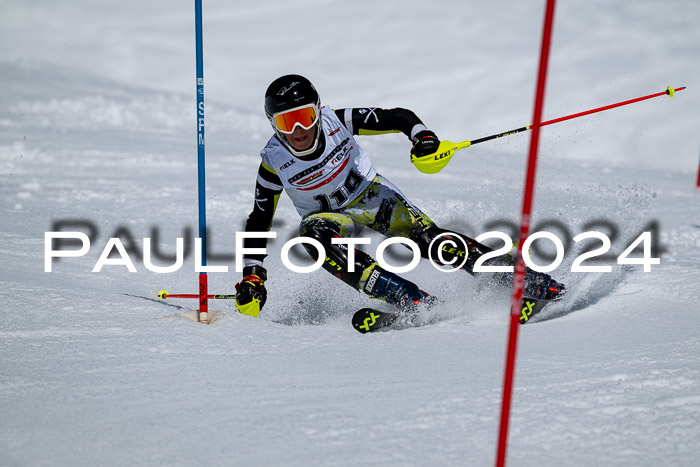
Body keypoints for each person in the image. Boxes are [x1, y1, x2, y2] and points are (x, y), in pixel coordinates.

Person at [234, 74, 565, 317]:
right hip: (331, 219)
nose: (299, 132)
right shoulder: (274, 161)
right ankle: (411, 299)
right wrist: (253, 274)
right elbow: (259, 219)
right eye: (286, 123)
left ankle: (529, 281)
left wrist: (423, 138)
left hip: (373, 198)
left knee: (437, 245)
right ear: (273, 125)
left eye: (304, 117)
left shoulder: (338, 121)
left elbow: (397, 117)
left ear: (318, 111)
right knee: (314, 238)